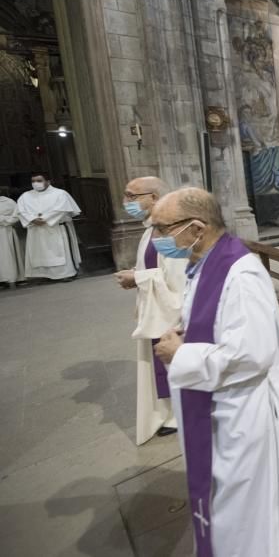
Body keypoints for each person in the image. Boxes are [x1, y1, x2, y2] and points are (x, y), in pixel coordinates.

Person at [150, 188, 279, 556]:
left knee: (244, 497)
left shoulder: (239, 273)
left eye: (163, 229)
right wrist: (186, 329)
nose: (157, 239)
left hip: (242, 407)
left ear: (196, 227)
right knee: (263, 485)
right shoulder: (207, 260)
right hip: (223, 398)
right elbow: (215, 319)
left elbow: (251, 354)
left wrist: (181, 356)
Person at [115, 177, 186, 444]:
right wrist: (136, 275)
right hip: (156, 309)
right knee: (159, 366)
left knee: (172, 362)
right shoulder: (149, 230)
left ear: (154, 197)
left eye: (132, 196)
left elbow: (179, 280)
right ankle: (168, 414)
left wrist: (139, 279)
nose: (127, 202)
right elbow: (155, 269)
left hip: (171, 314)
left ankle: (179, 415)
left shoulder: (173, 231)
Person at [16, 172, 82, 281]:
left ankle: (65, 274)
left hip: (56, 228)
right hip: (36, 230)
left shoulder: (60, 194)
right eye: (33, 181)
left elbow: (62, 209)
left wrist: (45, 219)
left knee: (59, 252)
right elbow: (20, 211)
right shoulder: (25, 196)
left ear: (48, 182)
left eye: (39, 181)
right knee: (40, 253)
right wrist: (33, 219)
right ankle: (45, 275)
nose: (35, 183)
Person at [0, 188, 23, 287]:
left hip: (6, 231)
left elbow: (17, 216)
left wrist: (3, 220)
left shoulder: (8, 202)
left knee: (8, 254)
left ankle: (13, 277)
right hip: (5, 229)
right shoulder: (9, 201)